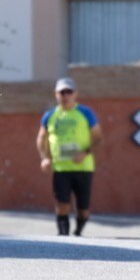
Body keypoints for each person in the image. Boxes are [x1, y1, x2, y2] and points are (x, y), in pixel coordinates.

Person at [37, 77, 102, 236]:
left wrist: (85, 152)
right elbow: (41, 138)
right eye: (62, 92)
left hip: (83, 167)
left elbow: (98, 137)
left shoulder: (85, 113)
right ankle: (63, 239)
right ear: (56, 94)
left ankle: (78, 231)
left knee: (83, 210)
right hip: (61, 168)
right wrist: (44, 157)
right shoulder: (50, 115)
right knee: (62, 205)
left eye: (69, 92)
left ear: (75, 94)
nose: (65, 95)